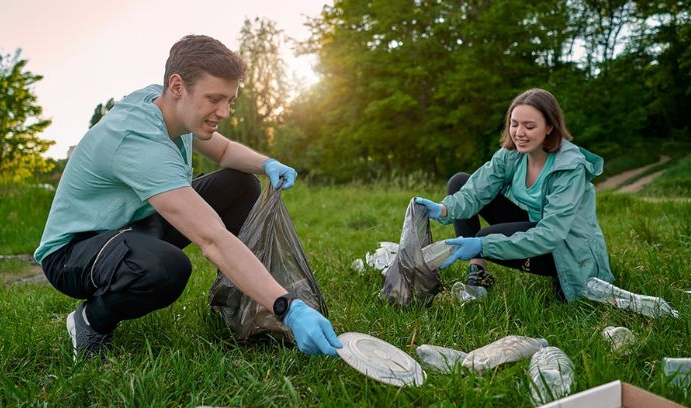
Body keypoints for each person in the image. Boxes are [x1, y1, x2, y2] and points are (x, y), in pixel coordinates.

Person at [34, 35, 342, 360]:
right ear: (178, 86)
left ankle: (248, 301)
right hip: (73, 251)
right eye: (214, 99)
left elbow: (222, 151)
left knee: (241, 185)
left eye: (230, 100)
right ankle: (90, 321)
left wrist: (266, 164)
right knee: (164, 268)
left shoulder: (166, 103)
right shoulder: (137, 140)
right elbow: (211, 238)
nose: (224, 111)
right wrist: (288, 308)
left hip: (133, 225)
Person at [415, 88, 614, 301]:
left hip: (563, 247)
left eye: (529, 126)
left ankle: (481, 249)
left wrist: (484, 246)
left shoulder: (569, 168)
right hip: (535, 225)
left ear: (549, 127)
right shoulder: (511, 155)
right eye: (514, 123)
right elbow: (475, 191)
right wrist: (444, 209)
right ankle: (478, 273)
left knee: (483, 238)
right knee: (460, 182)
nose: (519, 133)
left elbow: (551, 234)